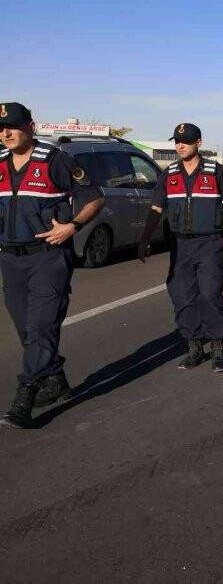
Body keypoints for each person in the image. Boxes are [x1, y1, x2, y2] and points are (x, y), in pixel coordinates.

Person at [0, 102, 105, 429]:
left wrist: (72, 225)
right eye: (1, 129)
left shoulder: (54, 160)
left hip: (48, 257)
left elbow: (95, 197)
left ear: (30, 126)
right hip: (10, 259)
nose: (5, 133)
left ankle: (25, 397)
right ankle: (55, 380)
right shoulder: (0, 164)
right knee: (27, 330)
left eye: (12, 127)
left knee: (42, 327)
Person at [138, 123, 223, 373]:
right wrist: (145, 240)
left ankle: (217, 347)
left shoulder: (215, 171)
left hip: (208, 243)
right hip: (180, 245)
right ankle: (195, 347)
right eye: (177, 141)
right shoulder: (169, 173)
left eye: (185, 141)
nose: (180, 145)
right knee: (182, 296)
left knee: (209, 294)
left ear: (199, 142)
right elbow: (156, 208)